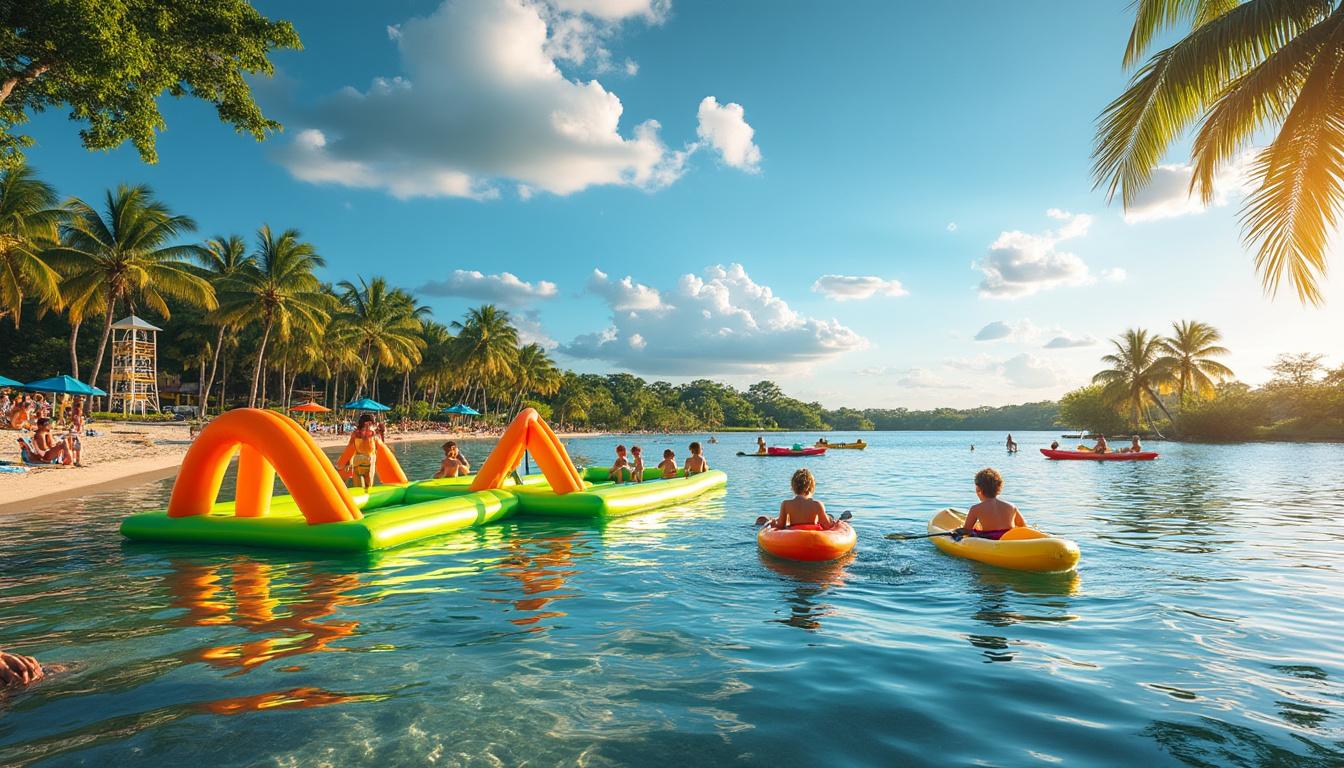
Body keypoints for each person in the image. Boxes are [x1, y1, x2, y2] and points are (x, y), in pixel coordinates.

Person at [958, 468, 1026, 541]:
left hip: (990, 540)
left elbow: (966, 530)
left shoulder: (975, 509)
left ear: (978, 489)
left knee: (972, 531)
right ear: (999, 488)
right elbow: (1022, 525)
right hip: (1009, 539)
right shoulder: (1011, 506)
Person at [770, 468, 836, 530]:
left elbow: (780, 525)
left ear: (793, 486)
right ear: (812, 486)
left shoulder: (785, 504)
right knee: (830, 516)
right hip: (813, 535)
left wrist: (773, 524)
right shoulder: (817, 504)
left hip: (794, 534)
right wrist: (835, 523)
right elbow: (827, 526)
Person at [340, 414, 378, 492]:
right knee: (368, 489)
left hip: (357, 461)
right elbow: (375, 447)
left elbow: (350, 447)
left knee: (358, 489)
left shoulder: (355, 433)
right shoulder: (372, 432)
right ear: (368, 422)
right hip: (368, 460)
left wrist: (348, 462)